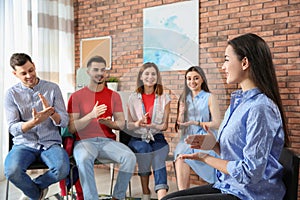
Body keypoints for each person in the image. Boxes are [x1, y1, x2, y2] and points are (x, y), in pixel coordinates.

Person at [162, 33, 289, 200]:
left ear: (244, 63)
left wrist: (206, 158)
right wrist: (213, 145)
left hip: (250, 194)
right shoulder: (238, 102)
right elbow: (236, 153)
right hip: (229, 185)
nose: (223, 66)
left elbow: (249, 172)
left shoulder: (260, 108)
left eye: (227, 59)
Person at [67, 55, 136, 200]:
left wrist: (109, 123)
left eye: (103, 70)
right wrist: (91, 115)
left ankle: (117, 196)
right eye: (95, 69)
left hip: (107, 141)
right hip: (84, 142)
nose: (100, 73)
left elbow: (120, 124)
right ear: (88, 72)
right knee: (84, 158)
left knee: (129, 157)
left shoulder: (114, 96)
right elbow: (72, 128)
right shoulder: (76, 96)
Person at [4, 53, 70, 200]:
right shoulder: (11, 94)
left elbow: (64, 121)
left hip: (50, 143)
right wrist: (33, 122)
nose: (29, 75)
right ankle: (37, 194)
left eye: (31, 70)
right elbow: (13, 128)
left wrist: (52, 113)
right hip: (24, 144)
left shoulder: (53, 88)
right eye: (23, 73)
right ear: (15, 74)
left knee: (62, 169)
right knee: (11, 171)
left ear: (34, 65)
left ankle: (34, 187)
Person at [126, 62, 171, 200]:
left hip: (157, 137)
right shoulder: (132, 98)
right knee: (144, 150)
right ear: (141, 77)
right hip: (137, 138)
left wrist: (152, 125)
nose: (150, 77)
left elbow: (164, 126)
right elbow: (129, 126)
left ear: (157, 77)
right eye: (146, 74)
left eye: (153, 74)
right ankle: (146, 192)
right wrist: (138, 123)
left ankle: (161, 197)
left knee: (158, 156)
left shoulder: (165, 98)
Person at [174, 66, 221, 190]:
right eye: (188, 79)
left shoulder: (209, 97)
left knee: (204, 153)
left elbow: (217, 123)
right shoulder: (184, 98)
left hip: (205, 135)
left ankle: (218, 186)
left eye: (196, 78)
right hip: (188, 137)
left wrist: (198, 123)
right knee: (180, 156)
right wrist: (181, 113)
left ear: (202, 80)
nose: (192, 82)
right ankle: (182, 193)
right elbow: (179, 125)